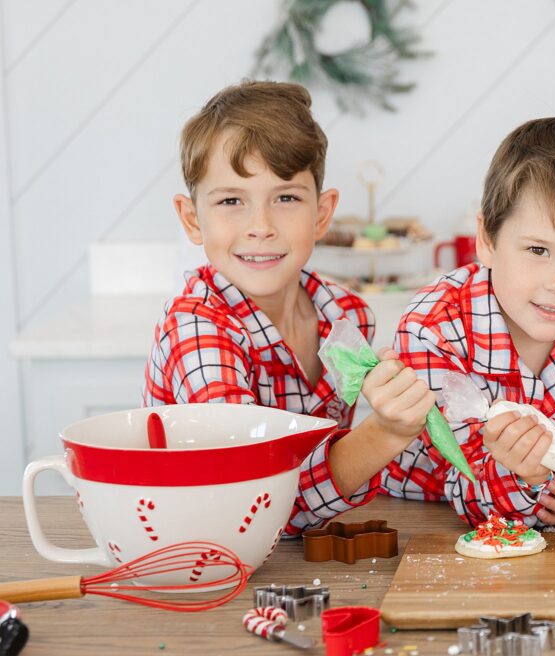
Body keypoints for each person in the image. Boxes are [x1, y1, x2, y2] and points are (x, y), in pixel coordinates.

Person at [144, 80, 434, 535]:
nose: (260, 227)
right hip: (203, 558)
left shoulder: (346, 315)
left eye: (285, 198)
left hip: (290, 560)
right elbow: (251, 503)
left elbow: (329, 472)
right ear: (191, 219)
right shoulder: (199, 332)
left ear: (321, 214)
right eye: (231, 201)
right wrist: (385, 433)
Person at [383, 117, 555, 527]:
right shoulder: (432, 328)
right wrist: (522, 476)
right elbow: (464, 482)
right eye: (538, 250)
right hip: (421, 518)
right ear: (487, 240)